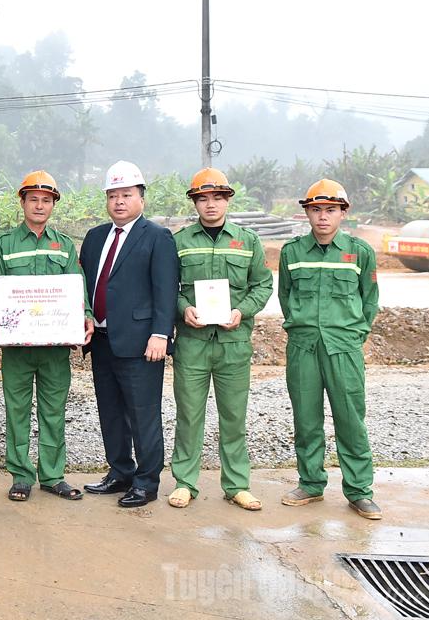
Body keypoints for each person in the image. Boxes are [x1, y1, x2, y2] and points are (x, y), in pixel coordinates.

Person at [168, 168, 273, 511]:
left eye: (217, 197)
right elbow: (167, 287)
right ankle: (185, 482)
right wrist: (182, 308)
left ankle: (237, 485)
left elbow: (262, 284)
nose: (210, 204)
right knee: (189, 416)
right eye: (203, 199)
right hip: (192, 343)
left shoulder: (247, 241)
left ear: (228, 200)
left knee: (233, 417)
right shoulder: (180, 242)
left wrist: (242, 310)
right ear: (194, 203)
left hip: (233, 343)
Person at [0, 171, 94, 503]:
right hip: (17, 348)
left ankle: (52, 475)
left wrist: (86, 316)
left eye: (46, 200)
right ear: (22, 202)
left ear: (53, 205)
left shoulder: (64, 246)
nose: (39, 205)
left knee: (53, 411)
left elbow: (77, 288)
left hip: (55, 349)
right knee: (17, 410)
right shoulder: (4, 244)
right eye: (33, 199)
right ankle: (21, 476)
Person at [278, 179, 381, 520]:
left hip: (344, 348)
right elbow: (286, 296)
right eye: (316, 210)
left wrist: (353, 334)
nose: (323, 217)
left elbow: (370, 300)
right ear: (307, 213)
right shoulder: (292, 253)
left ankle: (359, 491)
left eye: (331, 210)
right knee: (306, 419)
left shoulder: (359, 252)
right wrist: (301, 326)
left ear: (343, 213)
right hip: (303, 347)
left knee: (350, 420)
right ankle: (310, 483)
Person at [80, 161, 178, 508]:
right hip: (101, 339)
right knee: (110, 411)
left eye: (126, 195)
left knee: (143, 414)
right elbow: (85, 286)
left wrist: (161, 334)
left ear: (141, 198)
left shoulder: (157, 236)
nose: (119, 202)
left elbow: (166, 289)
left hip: (141, 342)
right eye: (113, 196)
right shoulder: (94, 238)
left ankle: (147, 482)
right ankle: (120, 472)